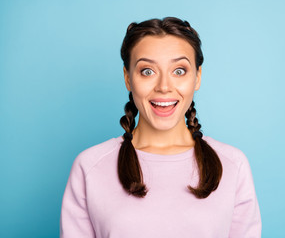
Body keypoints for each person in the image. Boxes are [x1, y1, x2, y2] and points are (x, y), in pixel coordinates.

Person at [60, 17, 261, 238]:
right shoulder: (89, 167)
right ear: (128, 78)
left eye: (179, 71)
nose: (164, 87)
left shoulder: (233, 165)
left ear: (197, 77)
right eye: (147, 71)